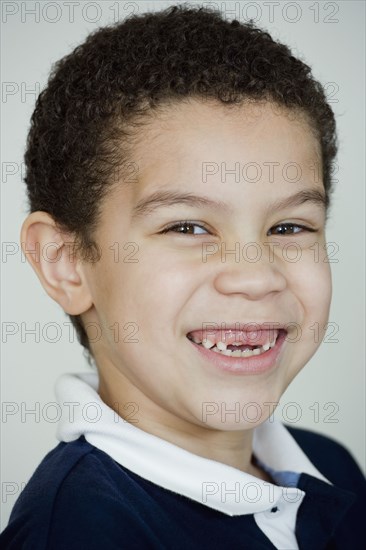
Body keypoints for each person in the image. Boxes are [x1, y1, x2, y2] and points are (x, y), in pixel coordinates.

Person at [1, 4, 365, 549]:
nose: (256, 276)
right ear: (66, 261)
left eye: (289, 227)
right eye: (189, 226)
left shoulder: (331, 465)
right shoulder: (80, 532)